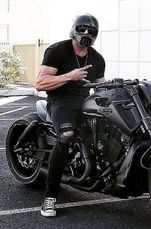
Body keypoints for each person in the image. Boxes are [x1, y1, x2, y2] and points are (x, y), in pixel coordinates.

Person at [35, 14, 105, 217]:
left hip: (84, 102)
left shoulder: (97, 58)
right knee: (66, 136)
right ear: (74, 29)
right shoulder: (58, 50)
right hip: (60, 101)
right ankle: (50, 197)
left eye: (90, 31)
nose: (86, 34)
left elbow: (100, 87)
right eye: (82, 29)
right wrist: (70, 76)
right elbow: (40, 83)